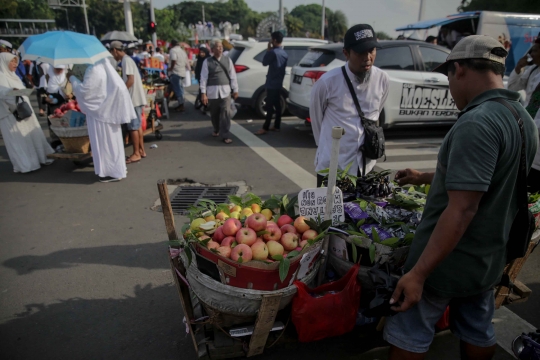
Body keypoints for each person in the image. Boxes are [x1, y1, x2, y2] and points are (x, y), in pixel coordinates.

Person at [385, 36, 539, 360]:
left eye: (448, 79)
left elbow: (463, 208)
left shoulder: (478, 121)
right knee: (477, 328)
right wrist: (424, 177)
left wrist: (419, 273)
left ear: (459, 69)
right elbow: (492, 180)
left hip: (447, 260)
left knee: (409, 332)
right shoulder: (521, 118)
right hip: (487, 258)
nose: (450, 89)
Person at [310, 24, 389, 185]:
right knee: (328, 210)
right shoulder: (327, 83)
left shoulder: (382, 79)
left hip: (366, 166)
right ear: (346, 53)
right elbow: (317, 123)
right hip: (333, 168)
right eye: (360, 52)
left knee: (363, 209)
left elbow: (376, 114)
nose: (367, 57)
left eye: (372, 50)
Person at [69, 59, 136, 183]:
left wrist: (73, 79)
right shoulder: (103, 65)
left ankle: (110, 172)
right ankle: (117, 169)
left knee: (104, 143)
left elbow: (85, 92)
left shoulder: (93, 69)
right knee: (113, 143)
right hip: (106, 110)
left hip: (100, 113)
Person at [0, 52, 54, 173]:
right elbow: (2, 91)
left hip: (24, 111)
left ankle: (39, 158)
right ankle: (25, 164)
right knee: (17, 140)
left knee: (30, 136)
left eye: (16, 61)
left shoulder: (13, 76)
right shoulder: (1, 76)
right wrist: (11, 91)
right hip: (10, 115)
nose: (15, 64)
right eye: (12, 61)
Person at [508, 39, 540, 192]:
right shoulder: (533, 71)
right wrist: (518, 67)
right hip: (529, 132)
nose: (531, 54)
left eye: (535, 50)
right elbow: (513, 87)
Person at [110, 41, 147, 164]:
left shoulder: (126, 61)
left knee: (133, 127)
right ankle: (141, 151)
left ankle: (136, 153)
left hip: (133, 98)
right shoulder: (127, 60)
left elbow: (130, 80)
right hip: (136, 97)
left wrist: (121, 92)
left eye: (112, 52)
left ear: (115, 50)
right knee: (137, 126)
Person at [200, 39, 238, 144]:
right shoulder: (207, 62)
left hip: (225, 92)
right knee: (214, 114)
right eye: (217, 46)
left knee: (225, 113)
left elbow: (233, 76)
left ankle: (225, 135)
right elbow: (203, 78)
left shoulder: (228, 60)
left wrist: (235, 89)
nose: (220, 48)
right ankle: (216, 129)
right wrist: (203, 93)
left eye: (221, 46)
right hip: (212, 92)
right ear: (212, 49)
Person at [255, 31, 288, 136]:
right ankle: (277, 125)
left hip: (271, 83)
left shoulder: (273, 52)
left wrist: (268, 49)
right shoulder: (284, 53)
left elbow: (265, 62)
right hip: (279, 82)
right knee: (277, 105)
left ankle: (265, 127)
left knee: (269, 106)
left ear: (274, 40)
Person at [168, 39, 189, 112]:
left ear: (172, 44)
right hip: (182, 72)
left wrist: (171, 68)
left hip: (175, 72)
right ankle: (182, 103)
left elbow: (174, 59)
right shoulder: (182, 51)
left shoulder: (173, 50)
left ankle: (181, 105)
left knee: (177, 89)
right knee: (181, 89)